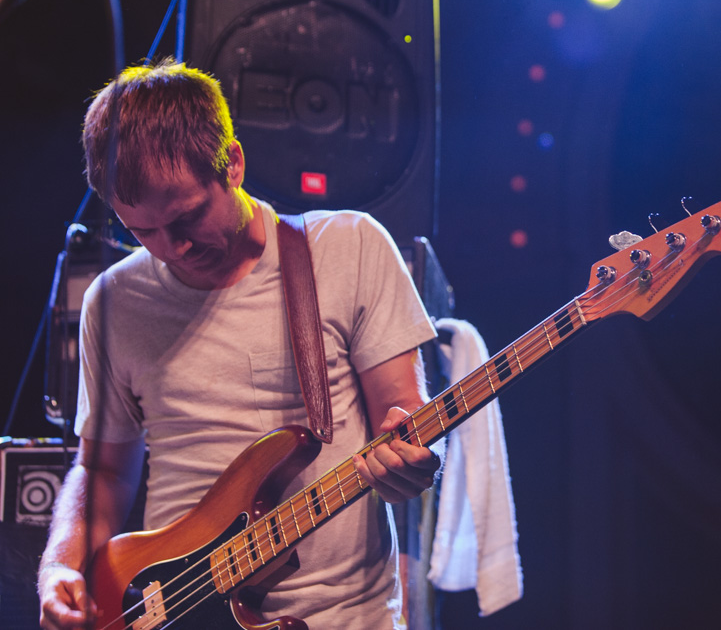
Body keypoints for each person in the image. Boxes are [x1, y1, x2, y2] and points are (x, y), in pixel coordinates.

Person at [36, 59, 441, 629]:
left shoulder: (349, 248)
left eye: (187, 217)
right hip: (177, 610)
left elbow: (404, 414)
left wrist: (412, 462)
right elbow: (101, 471)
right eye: (141, 232)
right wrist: (60, 565)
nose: (171, 248)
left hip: (347, 617)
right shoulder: (113, 300)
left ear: (233, 163)